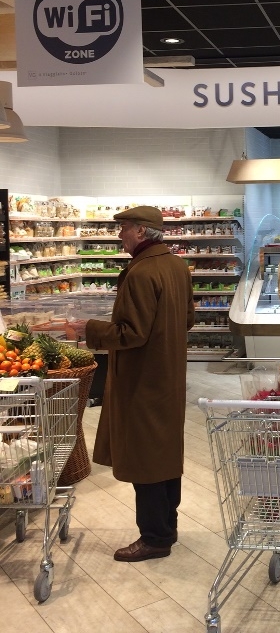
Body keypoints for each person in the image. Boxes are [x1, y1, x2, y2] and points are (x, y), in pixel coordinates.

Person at [75, 206, 195, 562]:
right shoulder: (176, 267)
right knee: (165, 453)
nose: (120, 234)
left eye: (124, 227)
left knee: (146, 459)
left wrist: (88, 329)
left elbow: (132, 333)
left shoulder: (141, 272)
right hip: (168, 376)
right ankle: (167, 528)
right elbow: (187, 319)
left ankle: (155, 538)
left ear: (141, 231)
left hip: (143, 379)